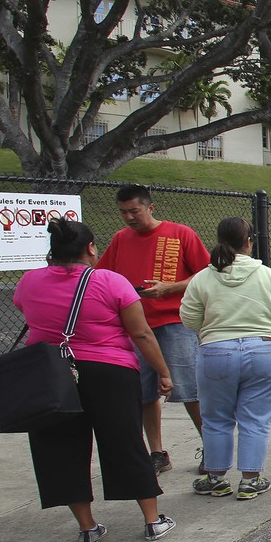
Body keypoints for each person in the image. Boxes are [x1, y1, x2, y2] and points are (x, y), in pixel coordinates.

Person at [13, 218, 176, 542]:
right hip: (109, 371)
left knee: (60, 448)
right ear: (90, 248)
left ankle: (87, 528)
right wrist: (163, 372)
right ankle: (151, 520)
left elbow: (27, 312)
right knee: (125, 442)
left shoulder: (29, 282)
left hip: (53, 374)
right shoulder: (110, 282)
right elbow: (140, 333)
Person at [97, 183, 209, 475]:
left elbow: (206, 273)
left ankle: (211, 445)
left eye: (134, 211)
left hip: (174, 323)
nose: (129, 217)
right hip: (136, 327)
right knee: (144, 393)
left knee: (189, 389)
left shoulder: (180, 234)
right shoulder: (120, 239)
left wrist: (170, 288)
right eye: (123, 212)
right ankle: (157, 452)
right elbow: (103, 275)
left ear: (150, 207)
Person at [181, 217, 271, 501]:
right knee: (255, 417)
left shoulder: (203, 278)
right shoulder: (269, 276)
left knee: (216, 419)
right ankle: (250, 480)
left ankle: (216, 478)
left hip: (216, 350)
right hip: (264, 349)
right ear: (249, 242)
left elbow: (189, 317)